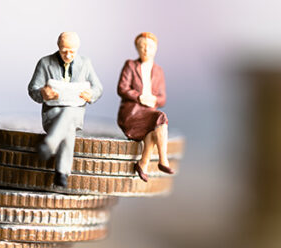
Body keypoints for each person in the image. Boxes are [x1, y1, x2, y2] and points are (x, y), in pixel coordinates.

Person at [28, 32, 103, 188]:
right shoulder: (45, 63)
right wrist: (43, 93)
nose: (68, 55)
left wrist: (91, 94)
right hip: (52, 114)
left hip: (76, 114)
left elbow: (98, 88)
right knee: (68, 126)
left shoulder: (85, 63)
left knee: (70, 111)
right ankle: (61, 174)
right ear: (58, 47)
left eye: (72, 52)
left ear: (78, 48)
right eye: (64, 51)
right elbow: (32, 89)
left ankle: (50, 144)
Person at [117, 32, 174, 182]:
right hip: (132, 113)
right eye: (142, 46)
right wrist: (139, 97)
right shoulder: (130, 65)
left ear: (155, 49)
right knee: (160, 118)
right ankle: (163, 160)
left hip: (149, 112)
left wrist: (154, 99)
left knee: (154, 130)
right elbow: (122, 88)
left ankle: (143, 164)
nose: (146, 50)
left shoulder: (158, 71)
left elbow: (162, 98)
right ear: (137, 48)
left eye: (149, 47)